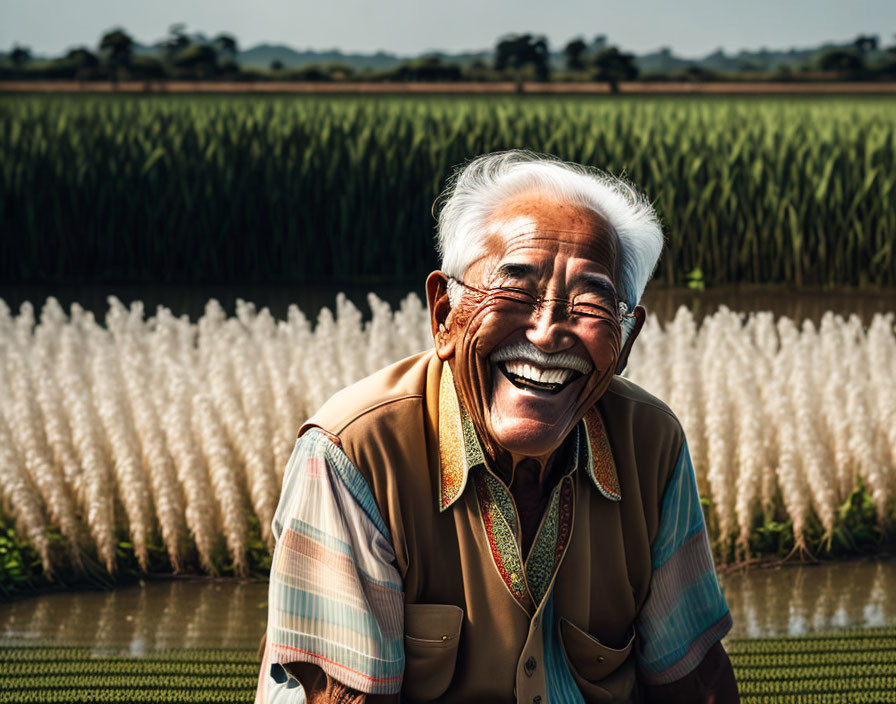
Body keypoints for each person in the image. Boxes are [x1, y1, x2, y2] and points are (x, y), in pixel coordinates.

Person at [256, 150, 739, 703]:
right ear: (444, 315)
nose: (548, 333)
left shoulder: (651, 444)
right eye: (515, 291)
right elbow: (347, 699)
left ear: (625, 342)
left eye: (591, 303)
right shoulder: (354, 453)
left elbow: (693, 681)